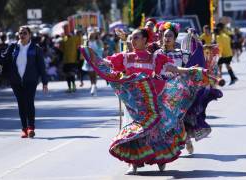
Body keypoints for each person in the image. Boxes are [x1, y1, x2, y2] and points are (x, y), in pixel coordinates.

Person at [81, 28, 219, 175]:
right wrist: (93, 56)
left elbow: (173, 68)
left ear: (145, 40)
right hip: (133, 103)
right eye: (132, 38)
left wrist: (190, 70)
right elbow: (107, 63)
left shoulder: (154, 58)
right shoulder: (125, 57)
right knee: (134, 131)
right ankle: (132, 164)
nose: (133, 41)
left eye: (136, 37)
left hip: (152, 100)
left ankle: (161, 159)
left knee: (156, 132)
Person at [0, 26, 48, 138]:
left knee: (29, 102)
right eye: (20, 33)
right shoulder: (13, 47)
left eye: (24, 33)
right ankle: (24, 128)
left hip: (31, 80)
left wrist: (44, 82)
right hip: (16, 81)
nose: (22, 35)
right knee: (21, 104)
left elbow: (41, 67)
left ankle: (31, 128)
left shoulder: (35, 48)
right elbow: (2, 58)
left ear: (29, 35)